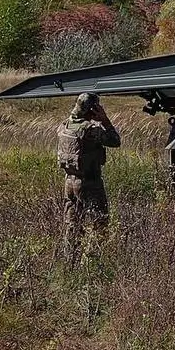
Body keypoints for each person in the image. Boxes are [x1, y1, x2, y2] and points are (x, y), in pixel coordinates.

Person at [56, 92, 121, 262]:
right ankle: (94, 261)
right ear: (92, 109)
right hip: (89, 183)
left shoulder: (64, 126)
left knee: (72, 225)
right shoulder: (91, 130)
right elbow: (115, 141)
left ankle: (70, 261)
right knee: (100, 221)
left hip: (69, 182)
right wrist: (104, 120)